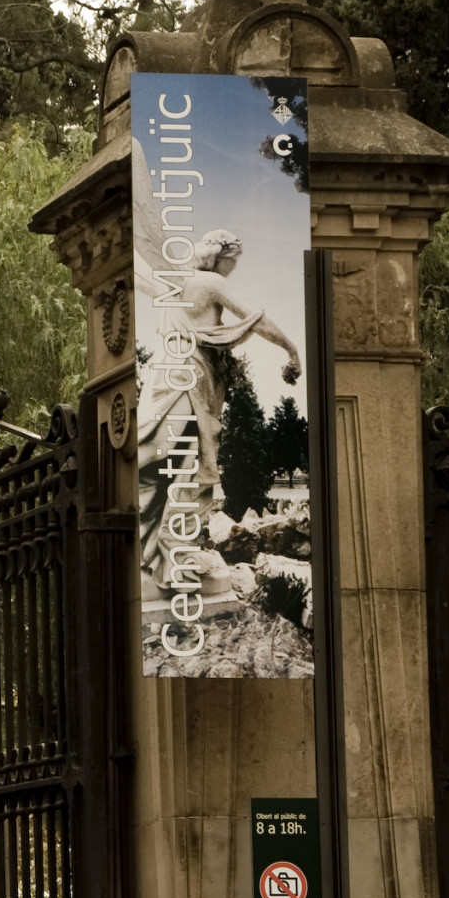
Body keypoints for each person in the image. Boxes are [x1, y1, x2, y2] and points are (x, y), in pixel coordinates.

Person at [138, 229, 303, 613]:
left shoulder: (171, 282)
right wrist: (292, 350)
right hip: (190, 384)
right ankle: (175, 559)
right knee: (190, 467)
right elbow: (255, 320)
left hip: (162, 382)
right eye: (235, 259)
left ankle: (160, 556)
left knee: (162, 466)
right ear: (222, 255)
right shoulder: (211, 282)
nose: (235, 267)